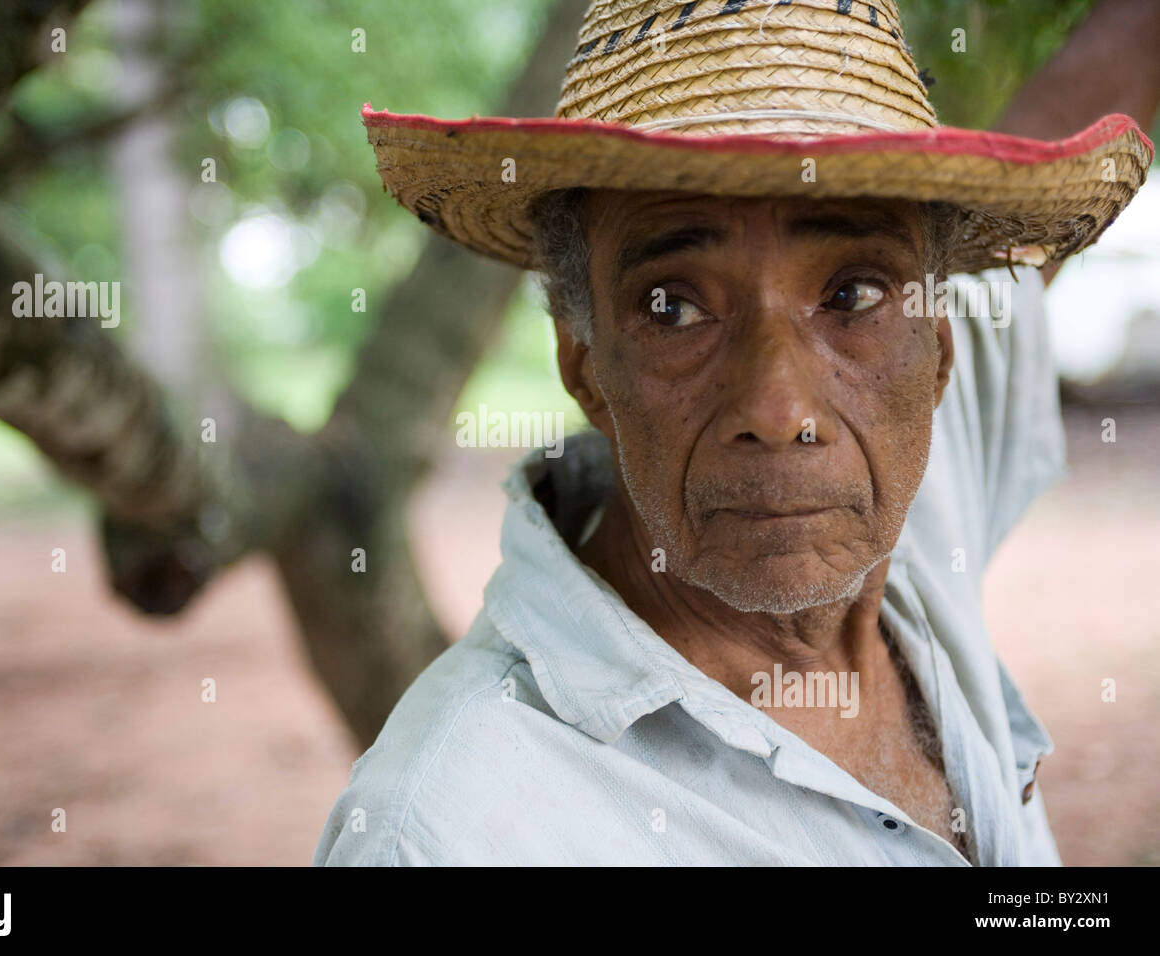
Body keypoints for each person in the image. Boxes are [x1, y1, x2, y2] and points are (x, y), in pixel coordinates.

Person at [315, 0, 1157, 865]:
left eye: (852, 295)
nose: (780, 409)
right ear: (583, 367)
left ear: (939, 351)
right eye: (673, 307)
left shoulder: (907, 483)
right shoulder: (446, 833)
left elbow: (1086, 87)